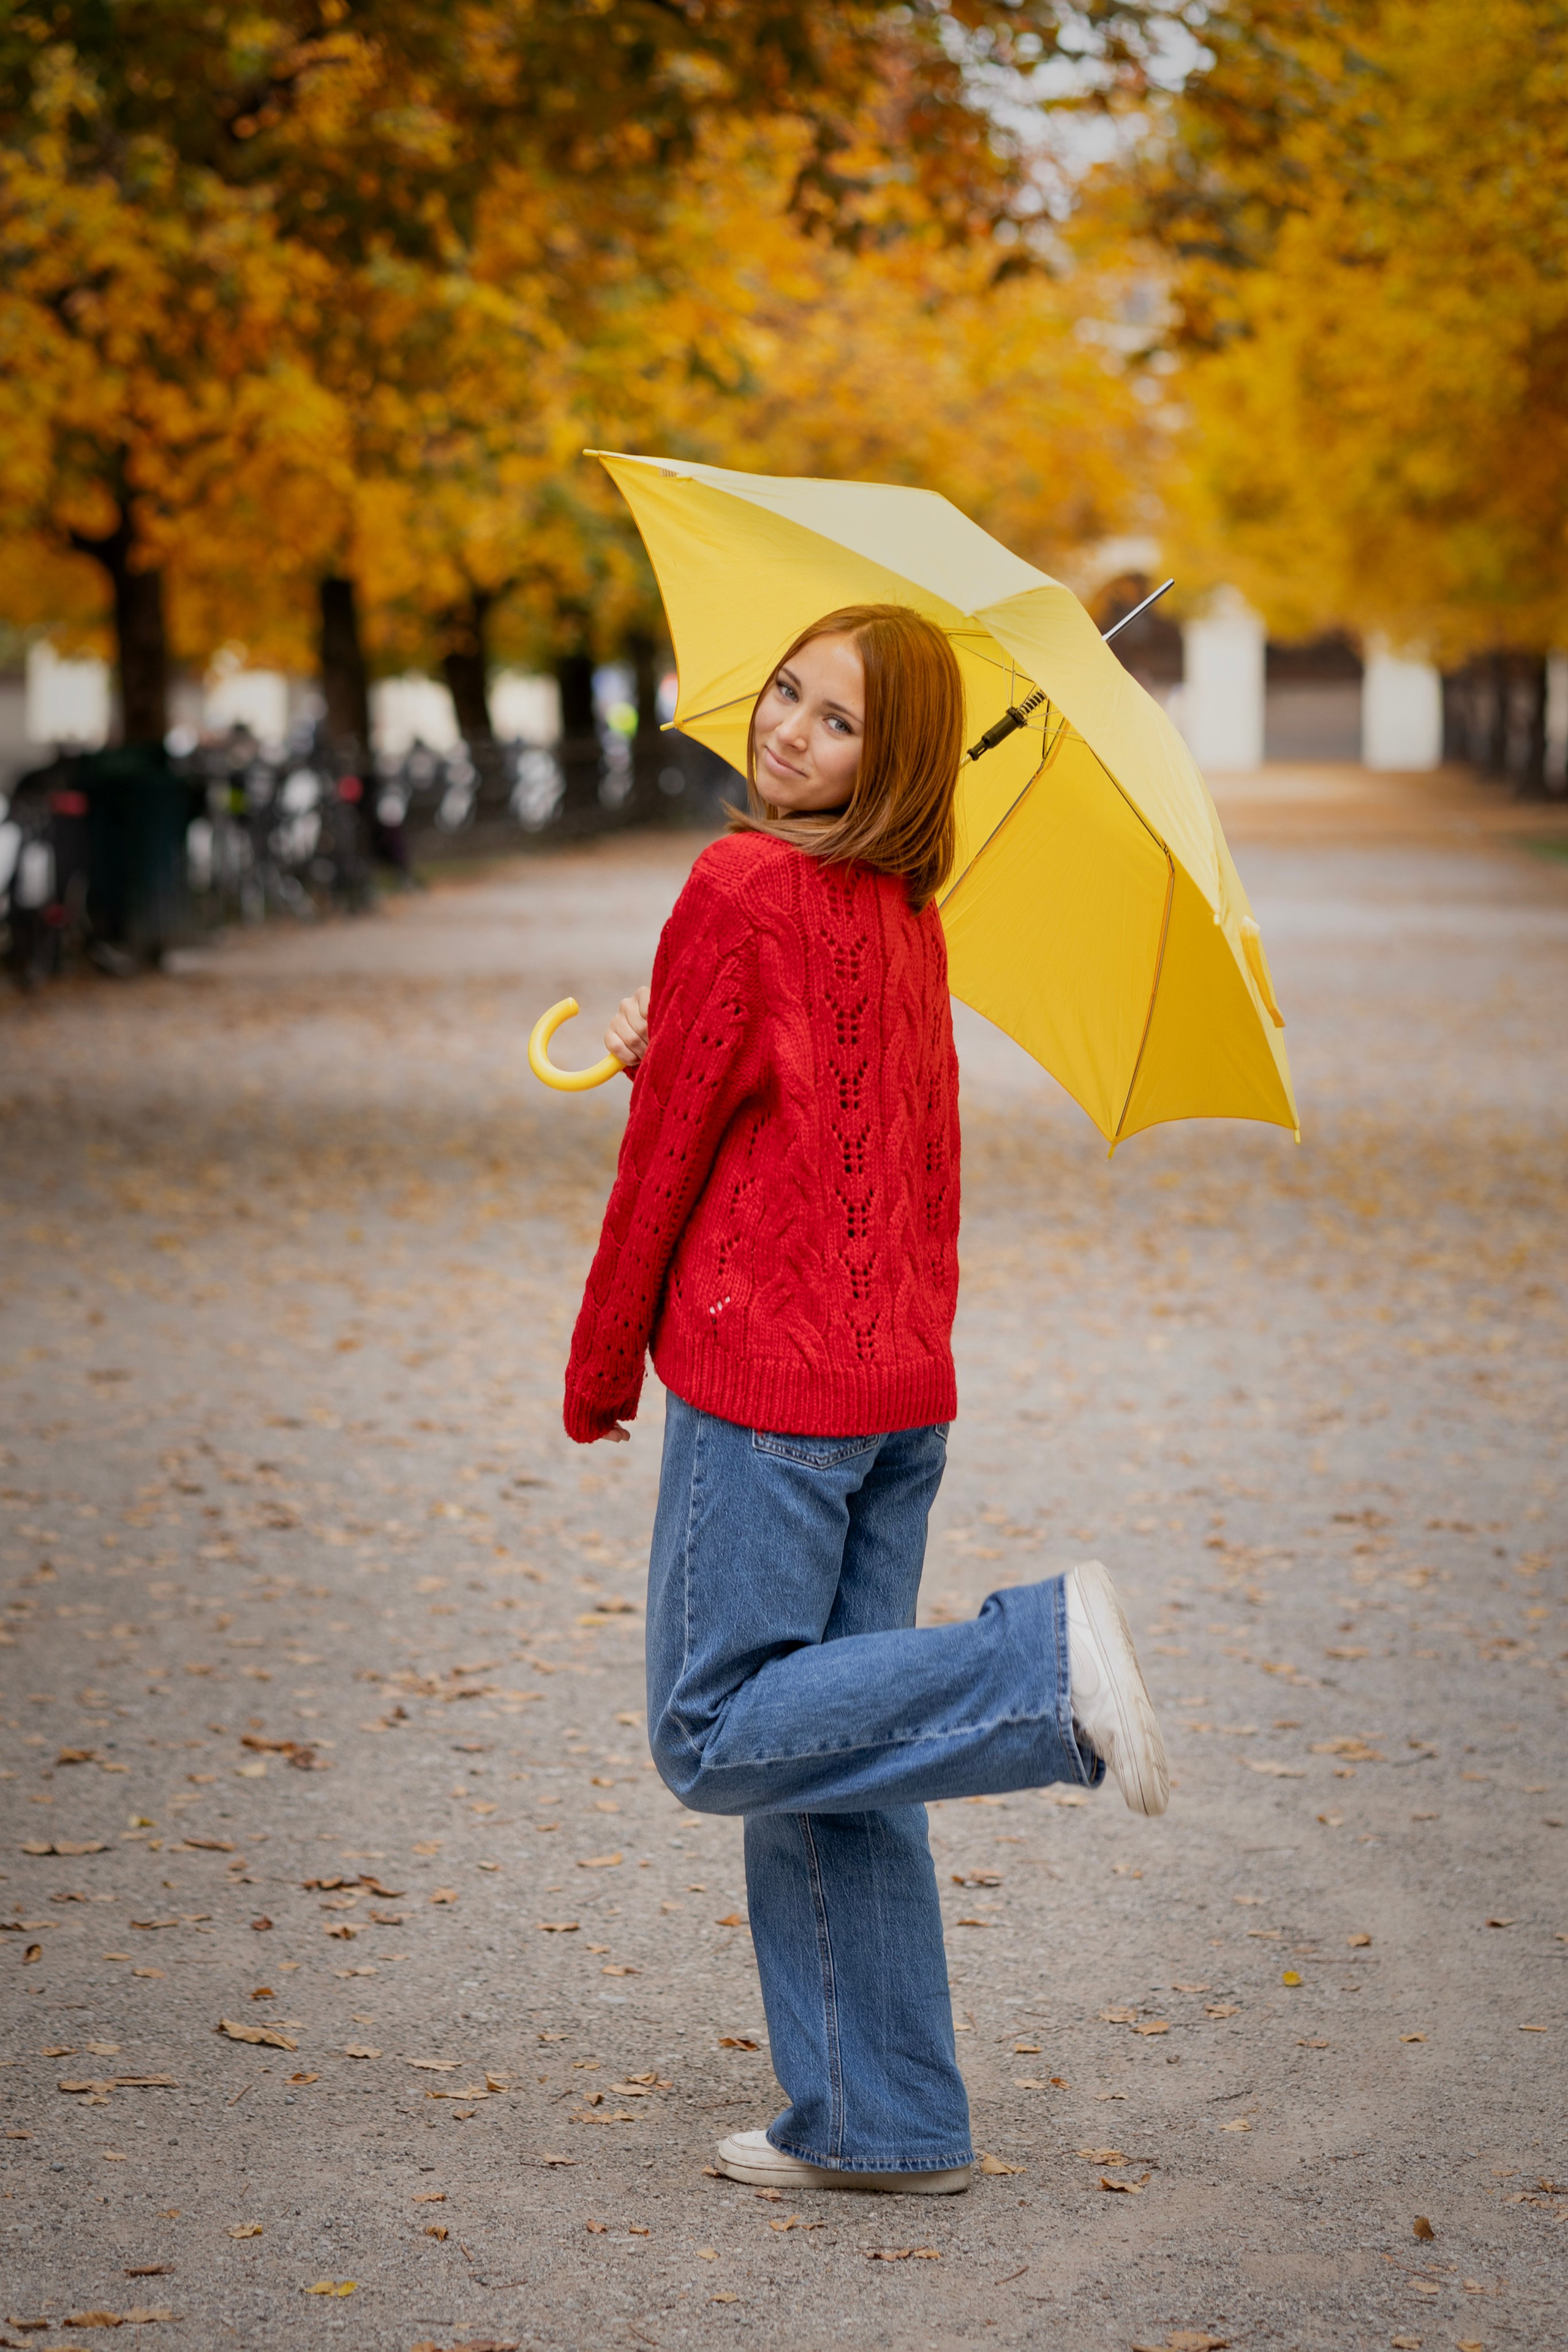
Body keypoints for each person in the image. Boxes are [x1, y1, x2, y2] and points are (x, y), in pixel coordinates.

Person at [563, 603, 1168, 2196]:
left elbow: (672, 1162)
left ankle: (1037, 1664)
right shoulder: (899, 910)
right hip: (894, 1390)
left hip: (773, 1392)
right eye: (788, 692)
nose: (787, 730)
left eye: (837, 721)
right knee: (848, 1752)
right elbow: (865, 1160)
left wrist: (602, 1358)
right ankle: (881, 2117)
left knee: (713, 1733)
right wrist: (664, 1045)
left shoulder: (741, 884)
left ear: (890, 758)